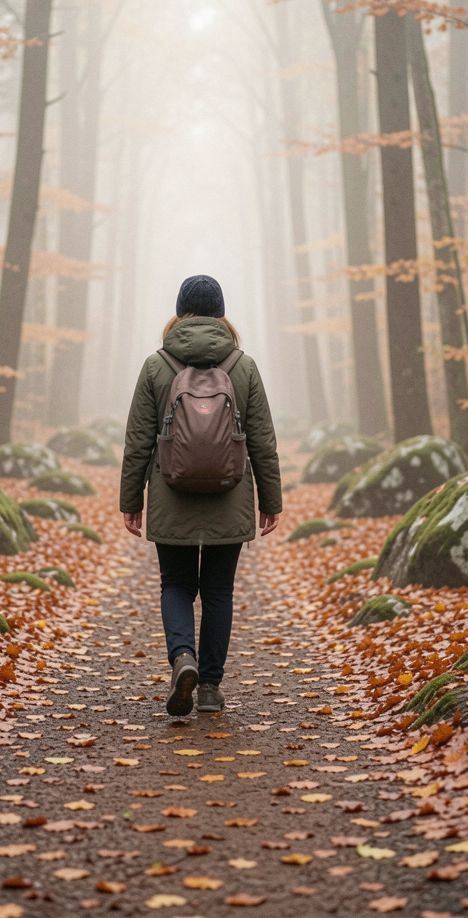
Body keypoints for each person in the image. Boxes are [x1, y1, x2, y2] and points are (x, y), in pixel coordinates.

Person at [120, 275, 282, 716]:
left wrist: (130, 501)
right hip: (230, 496)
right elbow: (263, 440)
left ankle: (182, 658)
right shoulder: (242, 366)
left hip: (171, 495)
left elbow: (138, 439)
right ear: (221, 314)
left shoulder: (157, 365)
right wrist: (271, 501)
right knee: (218, 591)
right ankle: (209, 687)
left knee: (175, 584)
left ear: (180, 312)